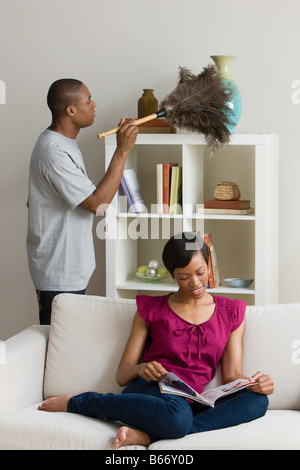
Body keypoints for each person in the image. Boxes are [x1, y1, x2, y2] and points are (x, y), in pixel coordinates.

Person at [38, 232, 274, 448]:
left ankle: (149, 435)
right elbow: (122, 375)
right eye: (184, 277)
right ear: (172, 275)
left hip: (190, 399)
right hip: (152, 389)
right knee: (177, 416)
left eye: (201, 272)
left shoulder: (231, 312)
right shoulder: (151, 309)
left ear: (208, 264)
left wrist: (255, 382)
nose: (195, 283)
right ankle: (83, 402)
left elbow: (232, 374)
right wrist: (142, 368)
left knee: (258, 402)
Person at [26, 78, 138, 324]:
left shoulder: (64, 144)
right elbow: (98, 204)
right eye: (88, 101)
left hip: (68, 270)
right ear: (70, 110)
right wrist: (122, 151)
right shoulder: (53, 152)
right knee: (60, 354)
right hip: (59, 274)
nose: (94, 105)